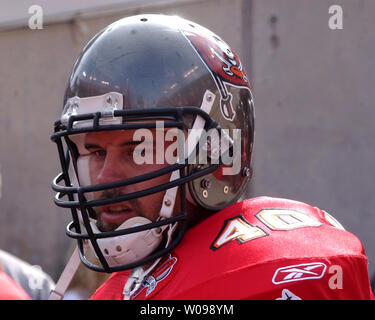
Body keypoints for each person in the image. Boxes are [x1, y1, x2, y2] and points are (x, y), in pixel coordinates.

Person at [50, 14, 374, 300]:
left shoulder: (278, 268)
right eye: (94, 151)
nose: (104, 177)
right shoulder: (121, 288)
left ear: (214, 151)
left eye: (138, 149)